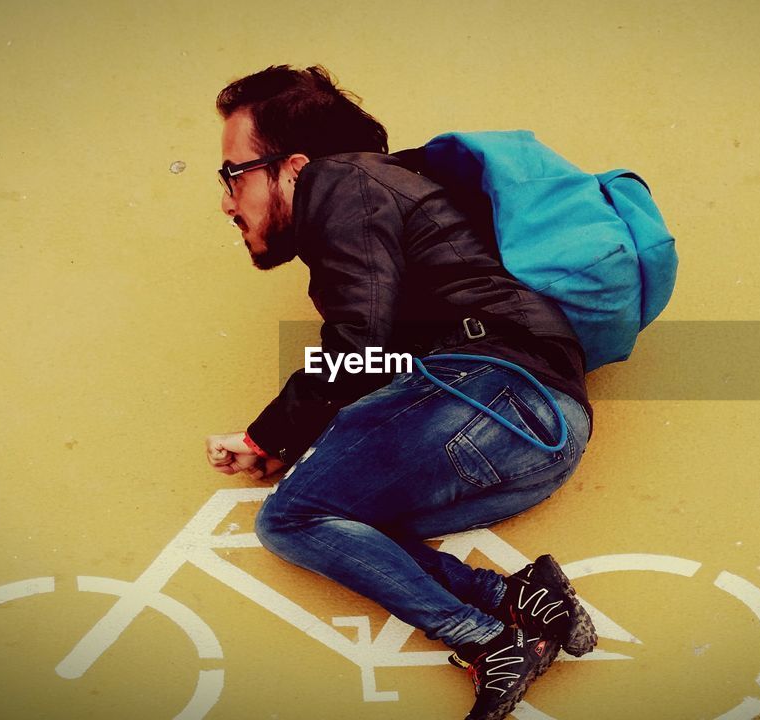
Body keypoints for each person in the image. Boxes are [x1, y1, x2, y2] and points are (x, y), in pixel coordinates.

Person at [203, 65, 595, 720]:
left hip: (496, 394)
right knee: (342, 522)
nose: (225, 201)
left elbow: (358, 347)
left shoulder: (343, 182)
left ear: (294, 166)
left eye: (232, 173)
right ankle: (522, 597)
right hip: (545, 432)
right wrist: (290, 439)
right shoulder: (396, 209)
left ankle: (487, 639)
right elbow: (385, 354)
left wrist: (263, 436)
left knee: (288, 517)